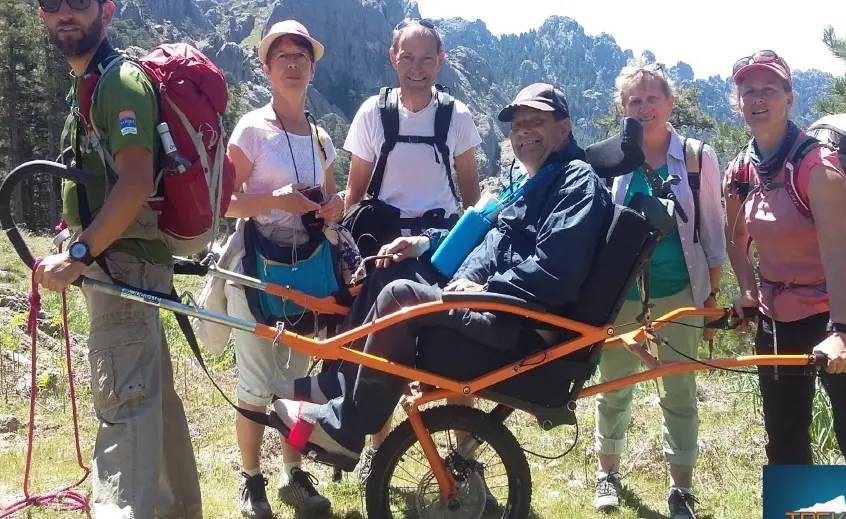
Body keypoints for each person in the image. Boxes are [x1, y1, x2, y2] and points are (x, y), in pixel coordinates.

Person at [270, 83, 612, 471]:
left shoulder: (575, 182)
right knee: (389, 268)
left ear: (564, 129)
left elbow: (556, 272)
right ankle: (336, 386)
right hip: (484, 302)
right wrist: (421, 243)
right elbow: (479, 238)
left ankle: (345, 430)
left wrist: (487, 289)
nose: (523, 132)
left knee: (400, 296)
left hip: (514, 320)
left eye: (537, 122)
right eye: (517, 125)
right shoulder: (530, 180)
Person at [33, 0, 202, 517]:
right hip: (122, 265)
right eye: (51, 3)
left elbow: (133, 181)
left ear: (106, 10)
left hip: (119, 269)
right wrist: (73, 245)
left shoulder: (120, 82)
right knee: (151, 405)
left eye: (79, 2)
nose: (65, 13)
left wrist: (80, 255)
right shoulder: (90, 85)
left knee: (124, 412)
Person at [723, 50, 846, 466]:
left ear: (789, 98)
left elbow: (837, 252)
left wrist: (841, 330)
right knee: (783, 434)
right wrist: (748, 291)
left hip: (838, 308)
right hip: (778, 315)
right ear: (738, 102)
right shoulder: (740, 172)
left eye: (769, 89)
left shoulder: (818, 166)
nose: (757, 99)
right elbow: (736, 239)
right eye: (748, 91)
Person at [340, 17, 483, 479]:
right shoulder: (372, 114)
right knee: (381, 346)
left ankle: (465, 455)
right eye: (408, 57)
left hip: (437, 247)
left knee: (454, 342)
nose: (417, 68)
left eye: (427, 59)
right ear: (393, 58)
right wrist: (343, 252)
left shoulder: (456, 117)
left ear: (440, 61)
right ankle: (378, 449)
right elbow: (354, 192)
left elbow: (472, 198)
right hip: (382, 247)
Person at [221, 19, 343, 519]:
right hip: (254, 270)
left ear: (312, 69)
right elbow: (222, 203)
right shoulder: (251, 130)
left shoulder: (320, 138)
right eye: (283, 57)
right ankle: (252, 482)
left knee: (297, 384)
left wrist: (332, 207)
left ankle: (294, 474)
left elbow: (332, 198)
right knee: (253, 382)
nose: (293, 65)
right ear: (268, 68)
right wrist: (275, 200)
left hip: (305, 274)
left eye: (301, 57)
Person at [593, 62, 726, 518]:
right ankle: (607, 473)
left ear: (670, 102)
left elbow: (713, 231)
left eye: (652, 98)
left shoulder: (696, 157)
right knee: (613, 384)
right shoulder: (615, 159)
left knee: (679, 389)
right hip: (621, 295)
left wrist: (710, 298)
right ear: (623, 108)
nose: (644, 107)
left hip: (679, 293)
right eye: (634, 100)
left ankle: (681, 489)